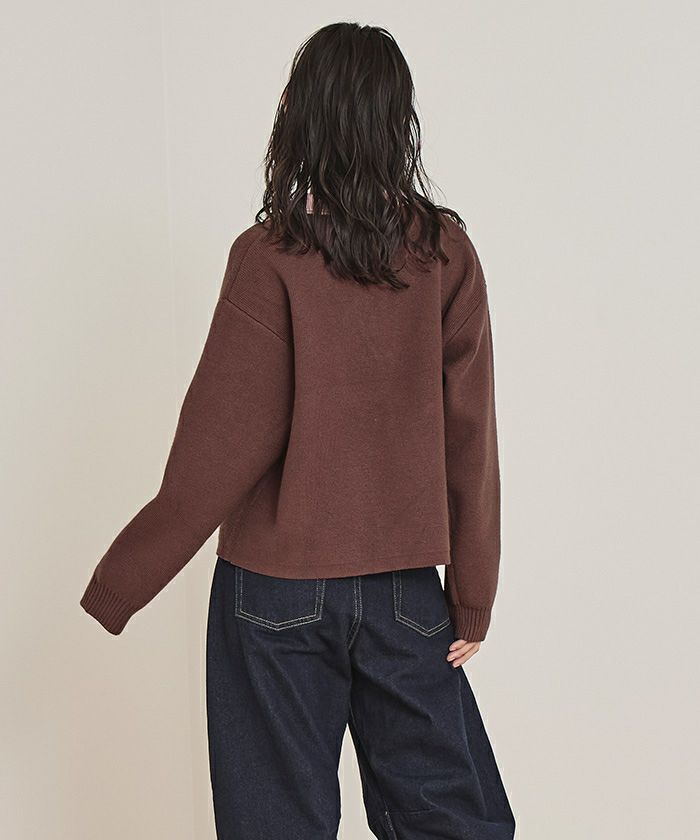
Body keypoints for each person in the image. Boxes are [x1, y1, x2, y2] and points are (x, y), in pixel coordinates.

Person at [80, 21, 516, 840]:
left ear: (300, 114)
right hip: (403, 592)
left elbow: (218, 448)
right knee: (454, 820)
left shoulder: (268, 255)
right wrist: (472, 594)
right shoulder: (445, 255)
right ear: (397, 120)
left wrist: (121, 582)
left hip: (272, 590)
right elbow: (472, 441)